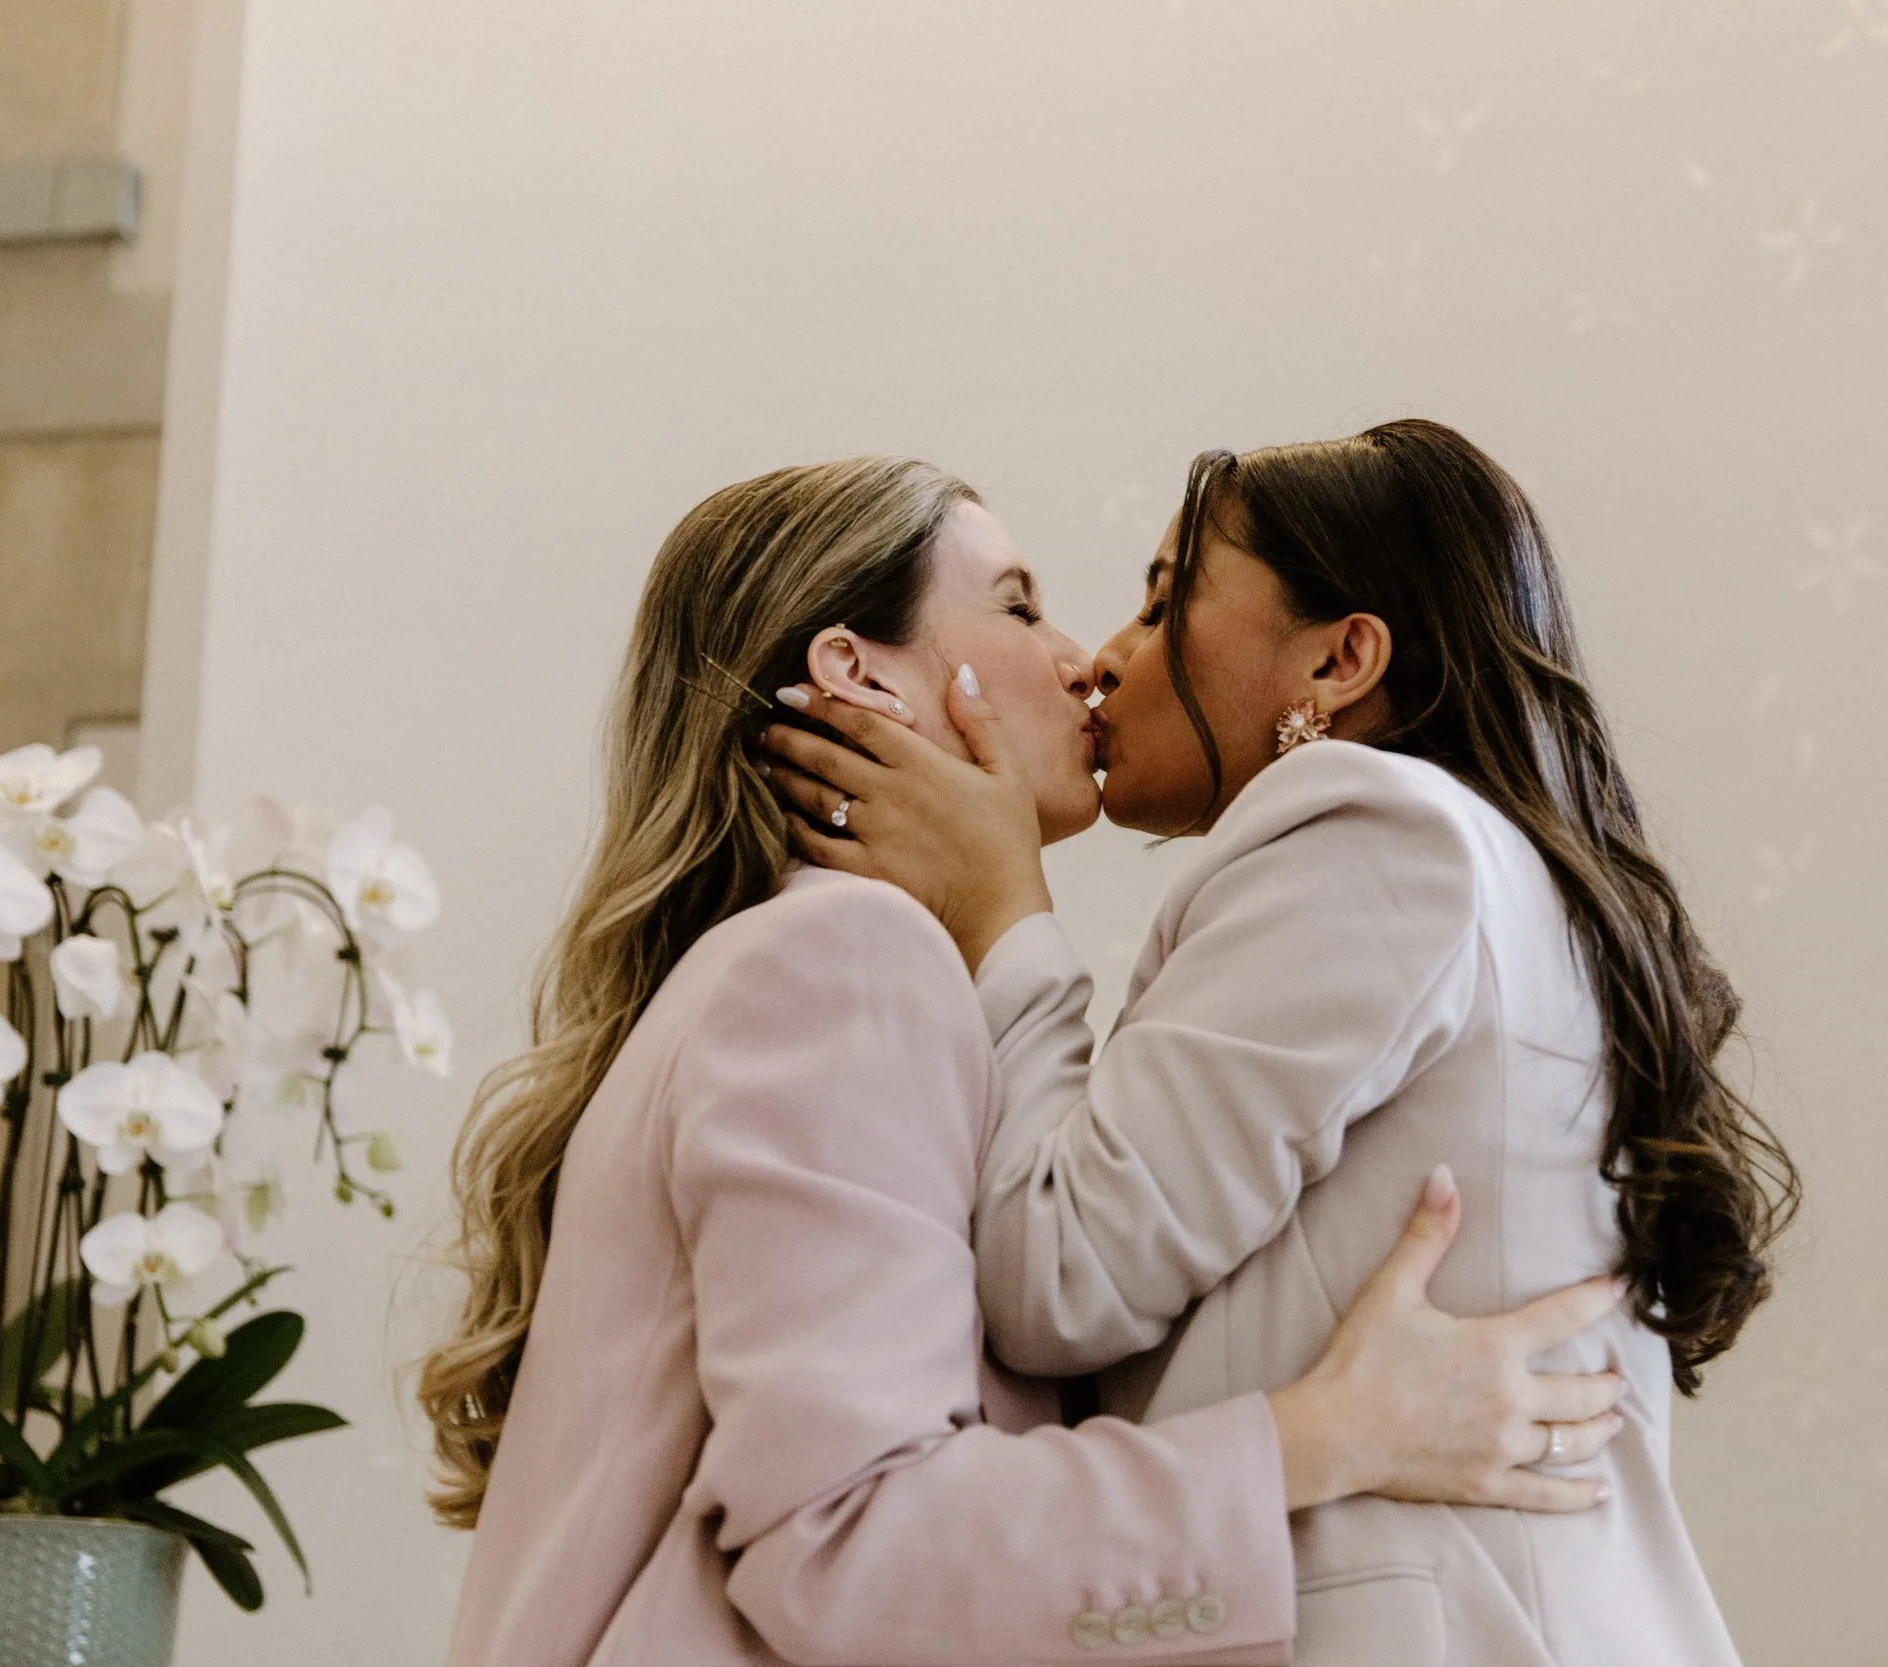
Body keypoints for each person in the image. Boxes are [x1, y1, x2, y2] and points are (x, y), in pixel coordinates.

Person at [419, 455, 1635, 1667]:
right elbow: (853, 1542)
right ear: (857, 673)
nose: (1080, 658)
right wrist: (1331, 1432)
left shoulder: (813, 959)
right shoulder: (844, 954)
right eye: (1017, 605)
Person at [764, 420, 1802, 1665]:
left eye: (1164, 603)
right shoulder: (1486, 860)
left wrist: (1003, 910)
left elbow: (1061, 1274)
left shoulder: (1369, 823)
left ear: (1337, 658)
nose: (1103, 660)